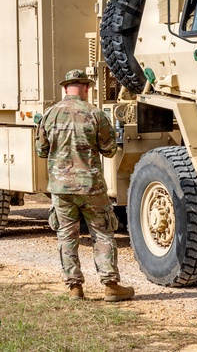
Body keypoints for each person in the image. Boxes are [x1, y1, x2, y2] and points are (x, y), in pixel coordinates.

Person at [35, 69, 135, 302]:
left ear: (65, 88)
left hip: (61, 189)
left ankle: (74, 288)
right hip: (91, 187)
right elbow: (109, 150)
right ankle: (110, 286)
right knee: (102, 233)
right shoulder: (95, 114)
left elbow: (40, 150)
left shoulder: (49, 115)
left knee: (67, 236)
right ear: (87, 89)